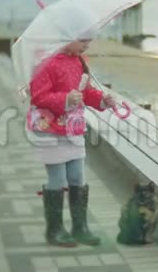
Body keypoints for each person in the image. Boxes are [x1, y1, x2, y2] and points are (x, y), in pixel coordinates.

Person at [27, 38, 115, 247]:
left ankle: (80, 227)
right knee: (57, 179)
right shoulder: (45, 62)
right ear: (68, 36)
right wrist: (66, 99)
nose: (87, 45)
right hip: (51, 130)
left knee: (77, 177)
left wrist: (103, 100)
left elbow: (86, 93)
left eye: (90, 40)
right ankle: (55, 229)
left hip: (73, 128)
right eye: (83, 40)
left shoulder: (78, 61)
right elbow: (39, 97)